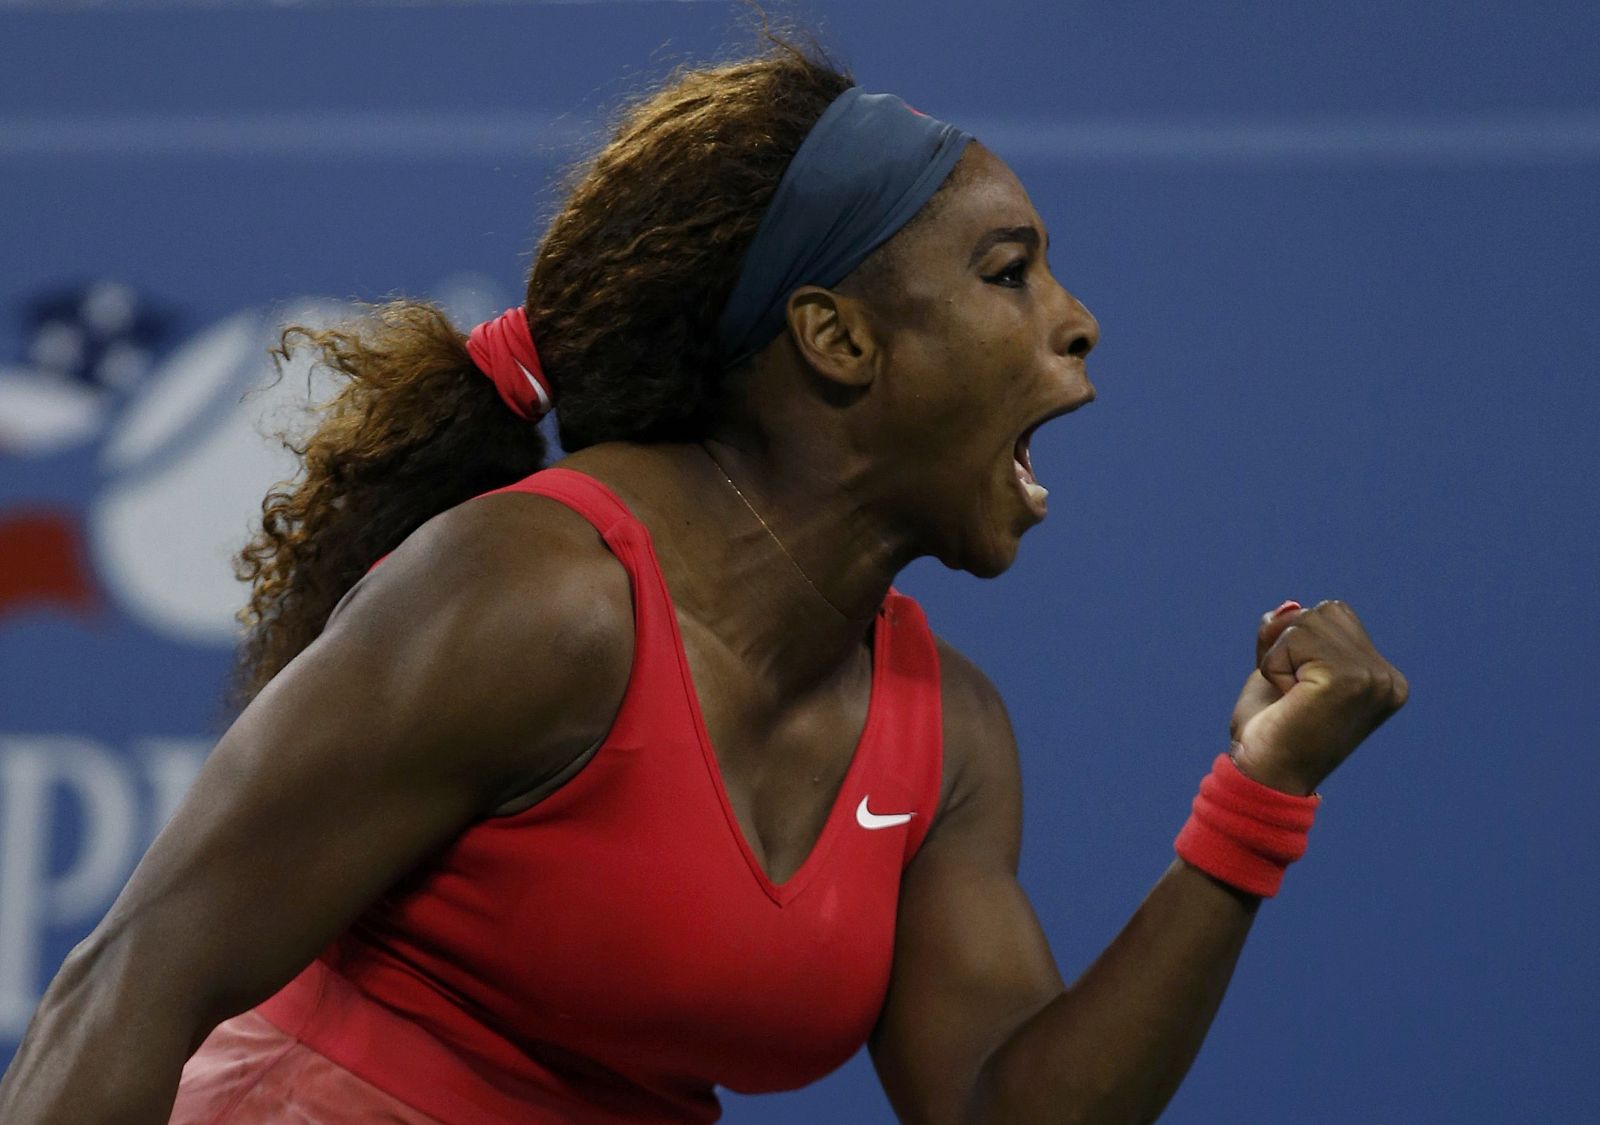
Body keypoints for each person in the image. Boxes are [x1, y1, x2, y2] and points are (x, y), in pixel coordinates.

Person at [0, 39, 1408, 1125]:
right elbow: (129, 983)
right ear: (838, 338)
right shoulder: (533, 595)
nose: (1077, 321)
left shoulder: (947, 739)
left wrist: (1257, 798)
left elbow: (1002, 1106)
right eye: (1007, 271)